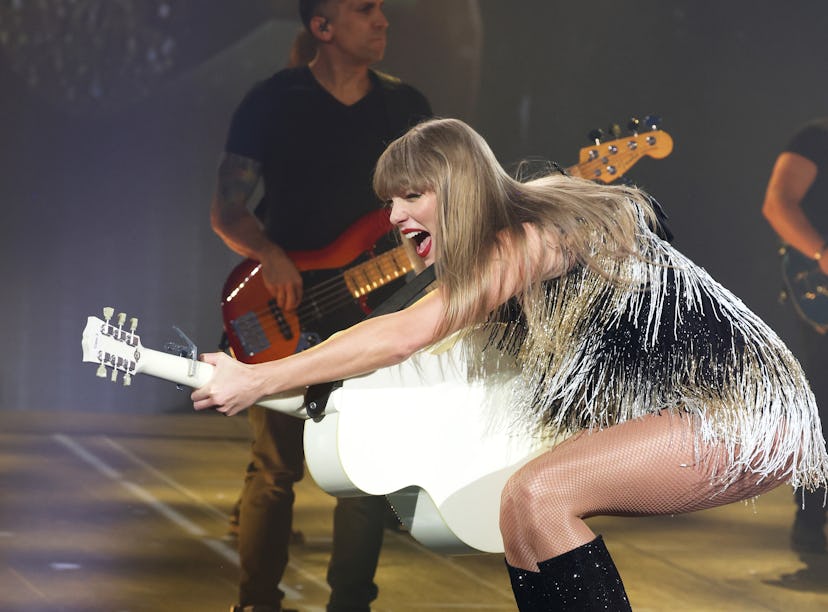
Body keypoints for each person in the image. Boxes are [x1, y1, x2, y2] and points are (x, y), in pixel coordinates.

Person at [197, 117, 828, 610]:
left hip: (739, 411)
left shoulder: (535, 233)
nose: (394, 217)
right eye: (391, 202)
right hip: (698, 413)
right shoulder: (498, 262)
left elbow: (406, 332)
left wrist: (258, 376)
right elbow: (400, 346)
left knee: (540, 492)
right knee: (519, 508)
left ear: (458, 189)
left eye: (411, 196)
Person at [208, 0, 431, 610]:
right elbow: (226, 210)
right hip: (288, 306)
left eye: (382, 9)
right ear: (322, 27)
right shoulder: (273, 101)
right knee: (274, 472)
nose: (382, 20)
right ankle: (256, 602)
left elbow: (442, 200)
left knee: (360, 477)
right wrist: (270, 254)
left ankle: (351, 604)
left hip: (378, 309)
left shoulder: (405, 106)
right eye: (365, 9)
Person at [762, 117, 828, 555]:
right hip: (819, 287)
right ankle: (810, 516)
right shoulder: (816, 137)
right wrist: (822, 252)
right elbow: (778, 203)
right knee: (822, 404)